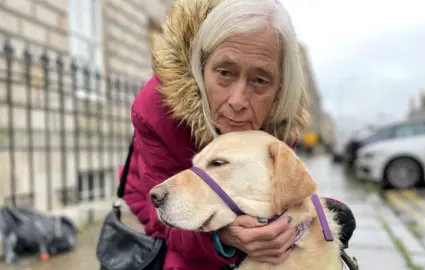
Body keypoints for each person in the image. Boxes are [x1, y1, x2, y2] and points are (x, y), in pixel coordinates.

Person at [122, 0, 356, 269]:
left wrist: (306, 217)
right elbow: (160, 214)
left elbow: (273, 193)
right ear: (200, 67)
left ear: (279, 88)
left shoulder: (280, 118)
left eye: (260, 80)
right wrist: (222, 238)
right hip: (150, 192)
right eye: (224, 73)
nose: (238, 100)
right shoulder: (157, 108)